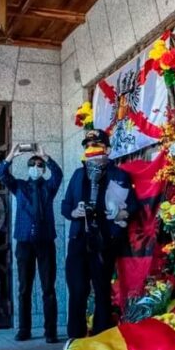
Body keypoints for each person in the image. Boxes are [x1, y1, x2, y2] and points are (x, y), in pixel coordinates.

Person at [61, 129, 136, 338]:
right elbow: (65, 206)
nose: (91, 150)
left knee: (102, 293)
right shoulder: (78, 174)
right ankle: (75, 341)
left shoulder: (119, 175)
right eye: (88, 146)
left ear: (108, 150)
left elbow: (133, 205)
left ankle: (102, 340)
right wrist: (74, 212)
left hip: (105, 242)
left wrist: (121, 211)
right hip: (79, 241)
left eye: (97, 146)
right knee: (77, 292)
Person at [0, 144, 63, 343]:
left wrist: (46, 157)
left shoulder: (49, 187)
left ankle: (50, 331)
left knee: (48, 288)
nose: (36, 167)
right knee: (25, 287)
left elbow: (57, 175)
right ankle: (24, 329)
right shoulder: (20, 187)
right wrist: (11, 156)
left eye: (39, 165)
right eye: (32, 164)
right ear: (27, 169)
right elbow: (1, 174)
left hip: (45, 242)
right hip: (24, 242)